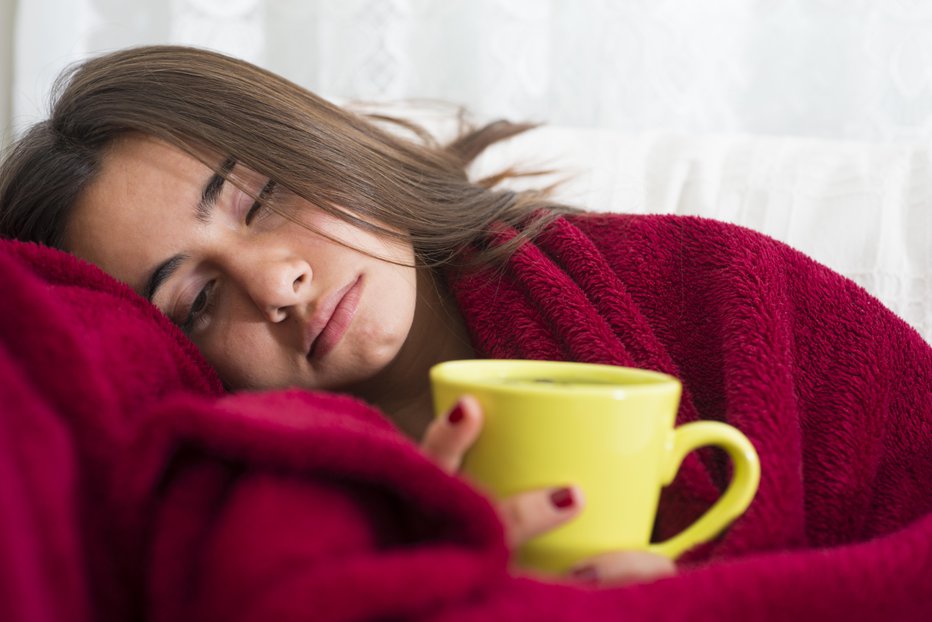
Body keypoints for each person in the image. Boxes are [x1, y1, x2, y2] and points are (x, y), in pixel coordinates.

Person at [1, 46, 930, 614]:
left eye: (260, 199)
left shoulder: (707, 285)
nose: (276, 281)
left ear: (313, 141)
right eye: (196, 301)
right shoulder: (269, 500)